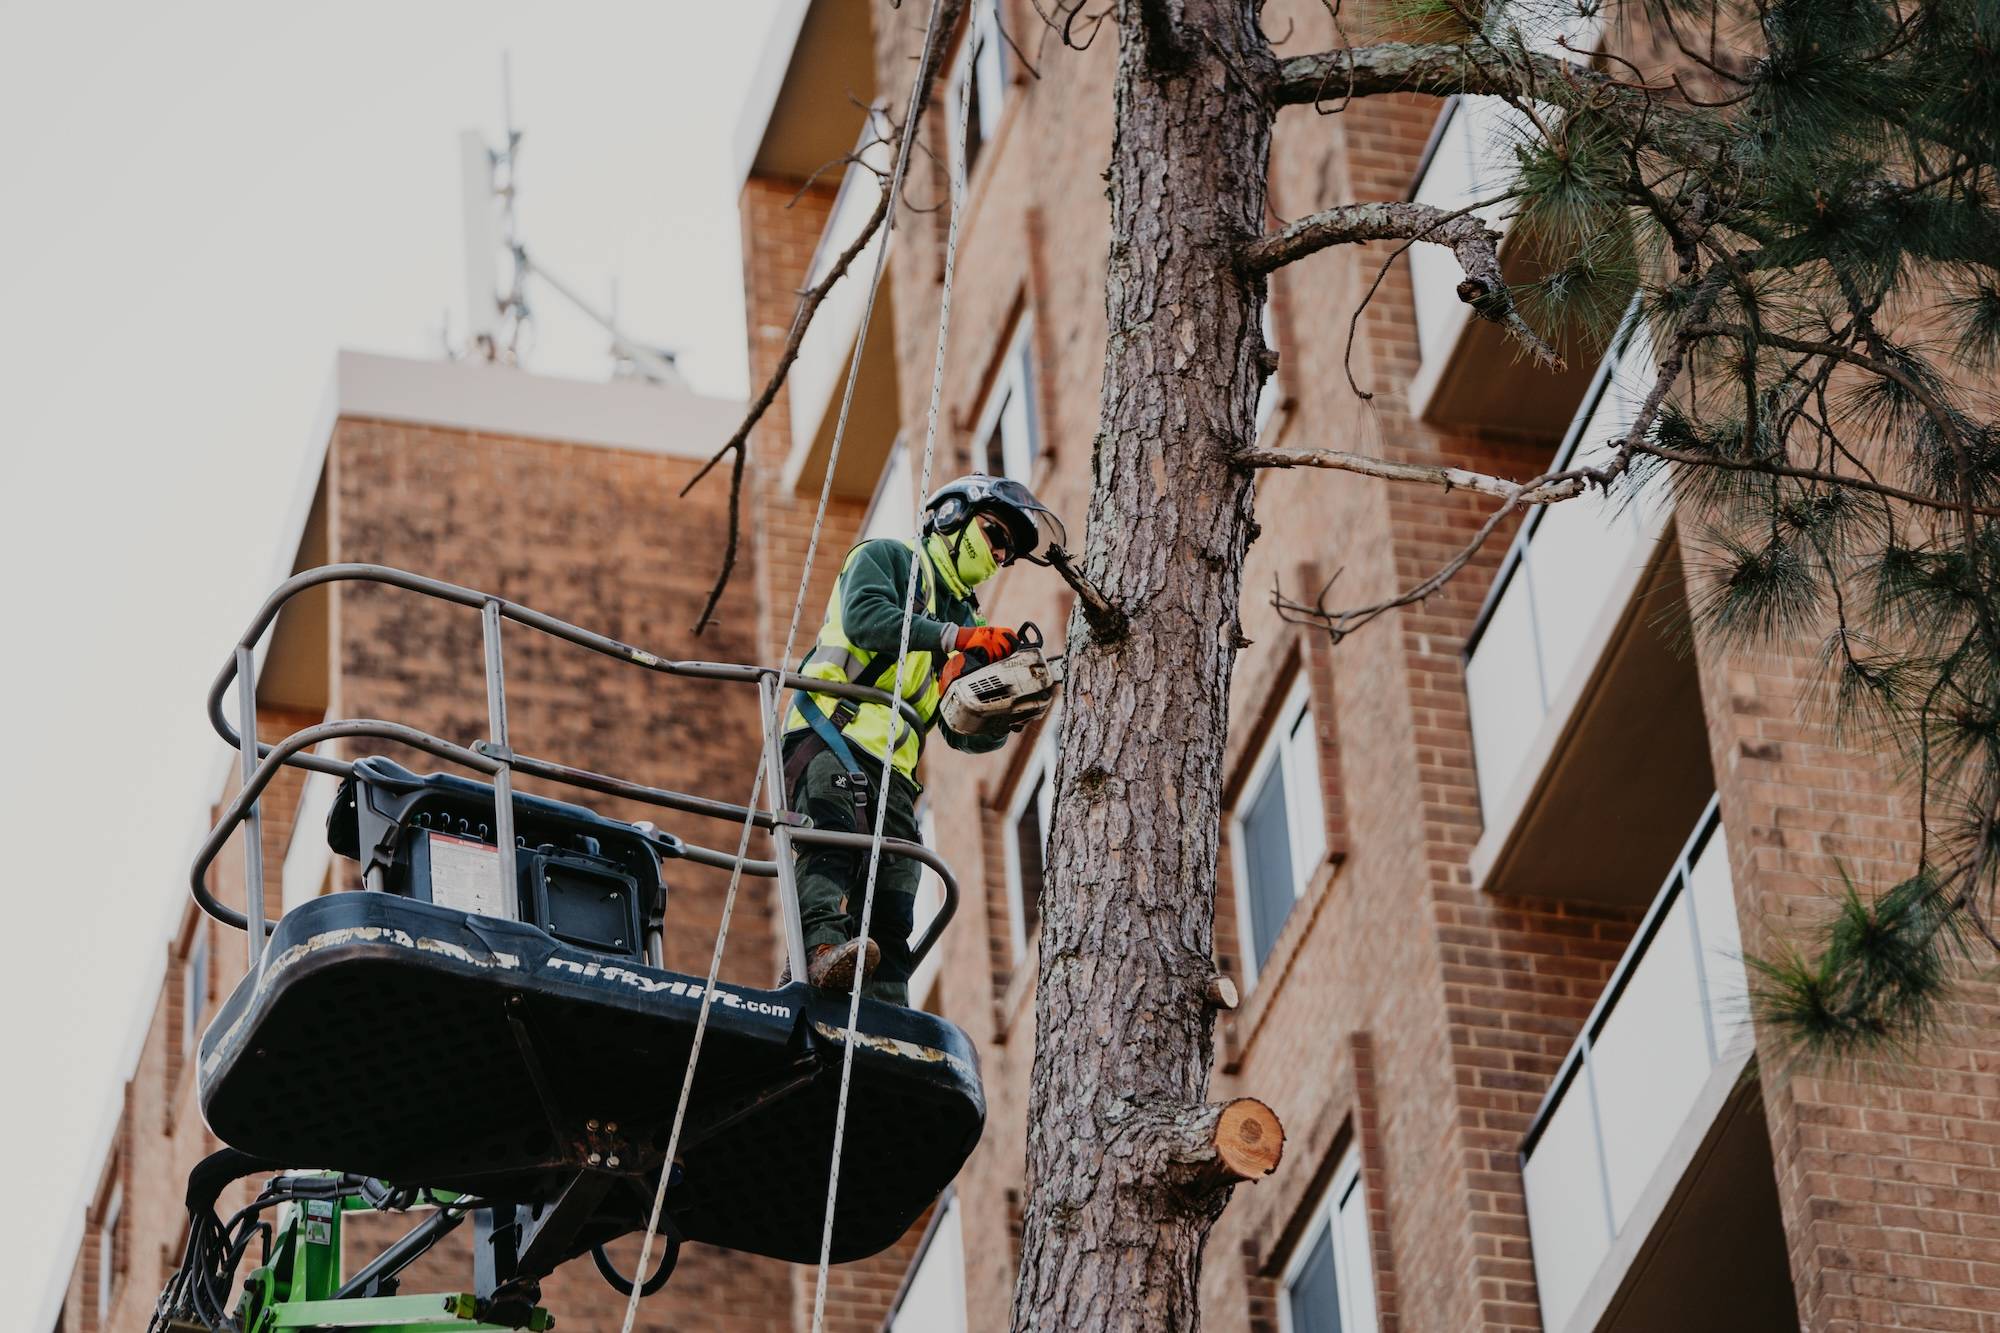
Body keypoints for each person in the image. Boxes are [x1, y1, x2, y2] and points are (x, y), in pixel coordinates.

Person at [782, 474, 1066, 1004]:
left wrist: (1002, 709)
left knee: (898, 886)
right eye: (995, 536)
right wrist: (956, 639)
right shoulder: (888, 560)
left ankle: (887, 1005)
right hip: (831, 730)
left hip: (895, 770)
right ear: (951, 517)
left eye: (1008, 551)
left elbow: (963, 737)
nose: (1000, 557)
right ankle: (819, 952)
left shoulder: (964, 620)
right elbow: (866, 620)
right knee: (833, 840)